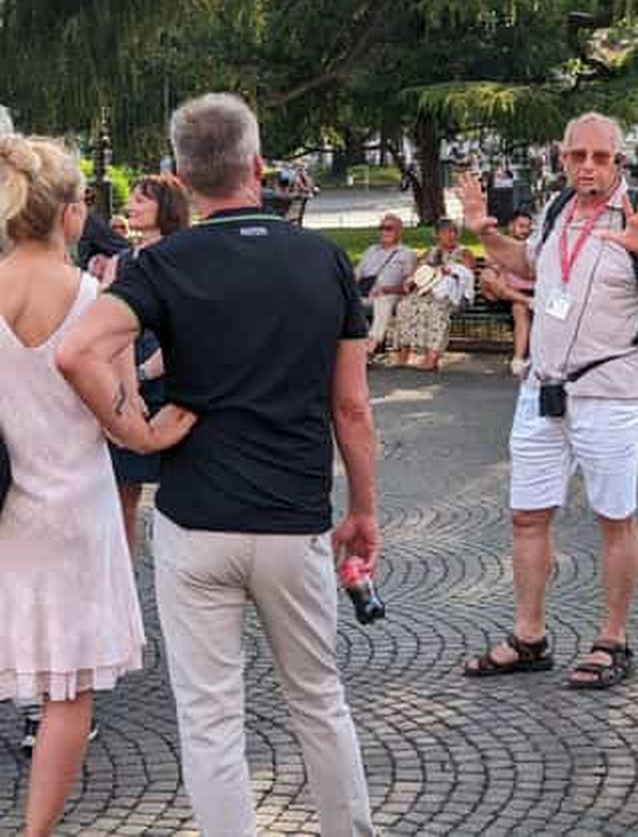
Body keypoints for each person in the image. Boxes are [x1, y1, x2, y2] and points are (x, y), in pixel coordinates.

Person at [57, 93, 378, 837]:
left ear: (182, 175)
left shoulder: (162, 264)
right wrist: (363, 508)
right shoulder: (323, 260)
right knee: (318, 699)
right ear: (258, 166)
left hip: (196, 517)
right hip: (294, 518)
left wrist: (134, 433)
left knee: (209, 717)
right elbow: (353, 407)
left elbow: (76, 351)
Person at [0, 135, 191, 837]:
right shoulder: (92, 299)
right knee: (68, 693)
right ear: (69, 213)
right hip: (78, 507)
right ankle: (36, 833)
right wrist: (152, 435)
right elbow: (123, 415)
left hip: (8, 508)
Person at [458, 111, 638, 686]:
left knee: (614, 518)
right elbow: (527, 264)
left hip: (610, 392)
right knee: (526, 517)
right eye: (576, 155)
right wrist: (484, 231)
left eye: (600, 157)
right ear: (562, 157)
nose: (587, 166)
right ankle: (529, 636)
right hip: (543, 390)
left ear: (618, 160)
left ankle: (613, 641)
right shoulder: (557, 208)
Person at [103, 174, 191, 554]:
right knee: (124, 491)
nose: (130, 206)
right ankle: (127, 570)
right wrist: (126, 385)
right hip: (127, 385)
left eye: (142, 200)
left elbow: (191, 331)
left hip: (174, 382)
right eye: (133, 199)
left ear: (166, 208)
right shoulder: (120, 261)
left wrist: (142, 374)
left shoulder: (186, 258)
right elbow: (106, 330)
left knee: (181, 484)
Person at [393, 217, 476, 371]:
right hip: (427, 292)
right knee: (404, 306)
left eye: (454, 232)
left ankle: (431, 358)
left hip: (454, 295)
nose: (452, 235)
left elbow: (467, 275)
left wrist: (451, 273)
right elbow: (417, 273)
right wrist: (410, 280)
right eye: (447, 232)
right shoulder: (429, 252)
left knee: (436, 309)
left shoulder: (464, 253)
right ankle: (403, 355)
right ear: (437, 234)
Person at [479, 208, 535, 376]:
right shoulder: (500, 245)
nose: (525, 230)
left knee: (519, 307)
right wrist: (498, 271)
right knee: (487, 276)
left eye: (528, 227)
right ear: (511, 226)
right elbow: (492, 266)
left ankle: (518, 359)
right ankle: (526, 301)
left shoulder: (533, 245)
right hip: (505, 294)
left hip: (527, 292)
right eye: (521, 226)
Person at [354, 214, 416, 359]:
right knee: (339, 302)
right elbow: (356, 274)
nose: (384, 231)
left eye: (389, 228)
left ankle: (369, 348)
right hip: (365, 292)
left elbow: (408, 284)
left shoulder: (406, 253)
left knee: (382, 301)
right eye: (382, 228)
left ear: (399, 231)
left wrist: (385, 289)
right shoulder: (371, 250)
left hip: (391, 294)